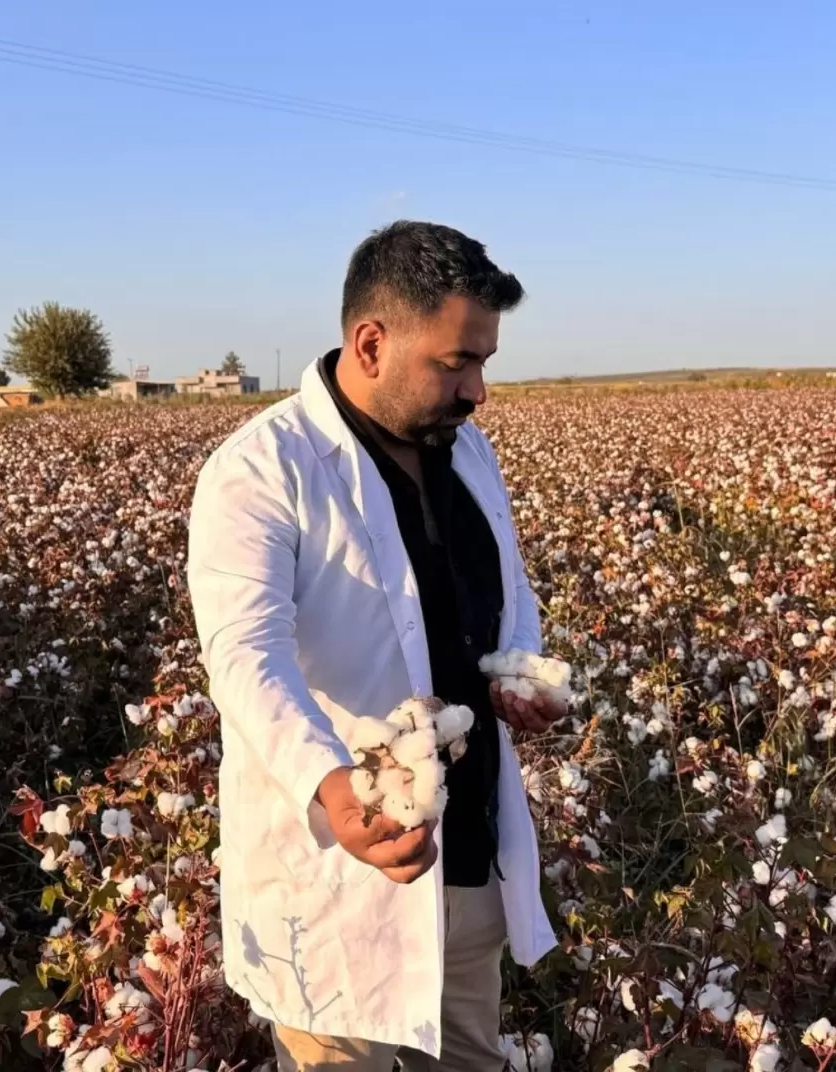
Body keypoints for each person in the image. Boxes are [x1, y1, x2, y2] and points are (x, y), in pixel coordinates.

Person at [187, 221, 563, 1071]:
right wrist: (336, 794)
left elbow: (509, 596)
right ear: (370, 342)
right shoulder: (260, 471)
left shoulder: (468, 452)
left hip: (464, 861)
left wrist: (521, 672)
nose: (477, 391)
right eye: (454, 362)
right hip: (346, 876)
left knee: (470, 1058)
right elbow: (246, 658)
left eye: (484, 362)